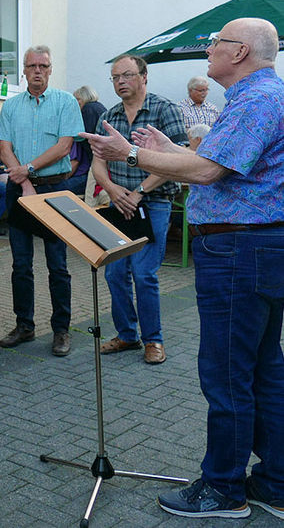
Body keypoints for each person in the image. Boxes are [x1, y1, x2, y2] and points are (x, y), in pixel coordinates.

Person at [83, 18, 284, 520]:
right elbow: (223, 165)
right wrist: (171, 152)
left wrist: (130, 151)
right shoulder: (258, 97)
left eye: (216, 43)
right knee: (263, 369)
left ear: (239, 52)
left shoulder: (257, 98)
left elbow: (211, 172)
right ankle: (275, 481)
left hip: (239, 253)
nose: (209, 50)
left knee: (228, 373)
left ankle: (223, 489)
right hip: (255, 249)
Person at [93, 55, 187, 365]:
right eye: (115, 77)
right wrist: (111, 190)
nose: (121, 81)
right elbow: (98, 162)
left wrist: (139, 192)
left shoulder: (164, 110)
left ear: (144, 76)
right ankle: (127, 335)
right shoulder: (109, 116)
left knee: (144, 274)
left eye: (127, 75)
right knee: (115, 273)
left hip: (154, 203)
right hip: (119, 203)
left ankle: (153, 340)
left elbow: (179, 159)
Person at [0, 46, 84, 357]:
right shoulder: (11, 105)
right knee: (21, 264)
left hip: (54, 189)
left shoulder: (66, 102)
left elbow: (64, 147)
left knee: (57, 265)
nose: (37, 71)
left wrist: (28, 170)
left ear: (50, 68)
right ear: (23, 69)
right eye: (31, 65)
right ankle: (25, 326)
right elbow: (4, 148)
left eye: (43, 65)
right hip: (20, 191)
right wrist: (26, 181)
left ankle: (61, 330)